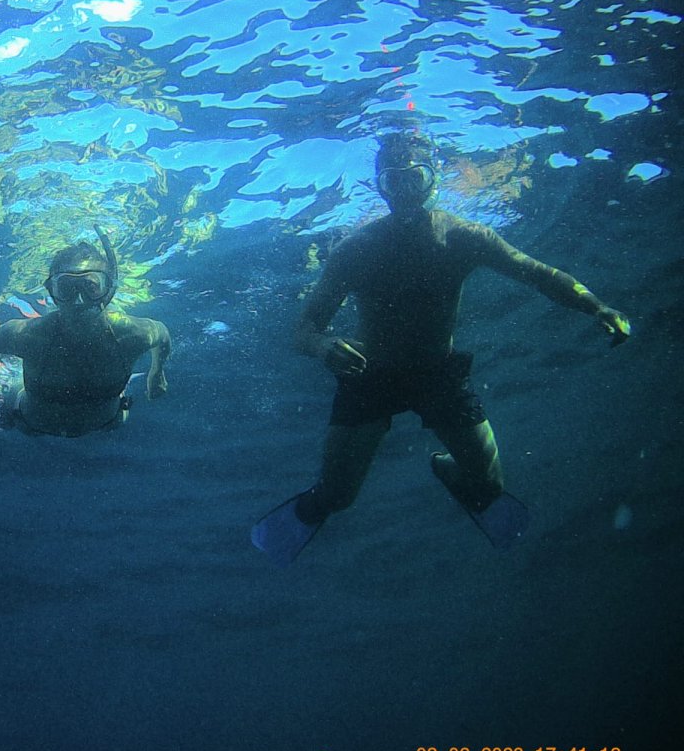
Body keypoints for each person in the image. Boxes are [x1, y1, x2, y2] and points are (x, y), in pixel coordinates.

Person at [252, 132, 631, 567]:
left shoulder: (465, 237)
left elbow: (536, 273)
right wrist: (324, 347)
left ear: (434, 179)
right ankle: (315, 505)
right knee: (337, 498)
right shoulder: (355, 250)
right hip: (368, 377)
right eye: (395, 181)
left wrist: (595, 306)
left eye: (416, 177)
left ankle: (447, 468)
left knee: (487, 490)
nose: (406, 190)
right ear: (379, 185)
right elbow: (304, 329)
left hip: (439, 376)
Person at [0, 227, 172, 437]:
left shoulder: (131, 334)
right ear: (53, 292)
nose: (79, 300)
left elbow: (161, 334)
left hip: (108, 421)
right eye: (67, 288)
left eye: (90, 287)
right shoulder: (31, 336)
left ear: (108, 290)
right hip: (28, 423)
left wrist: (157, 372)